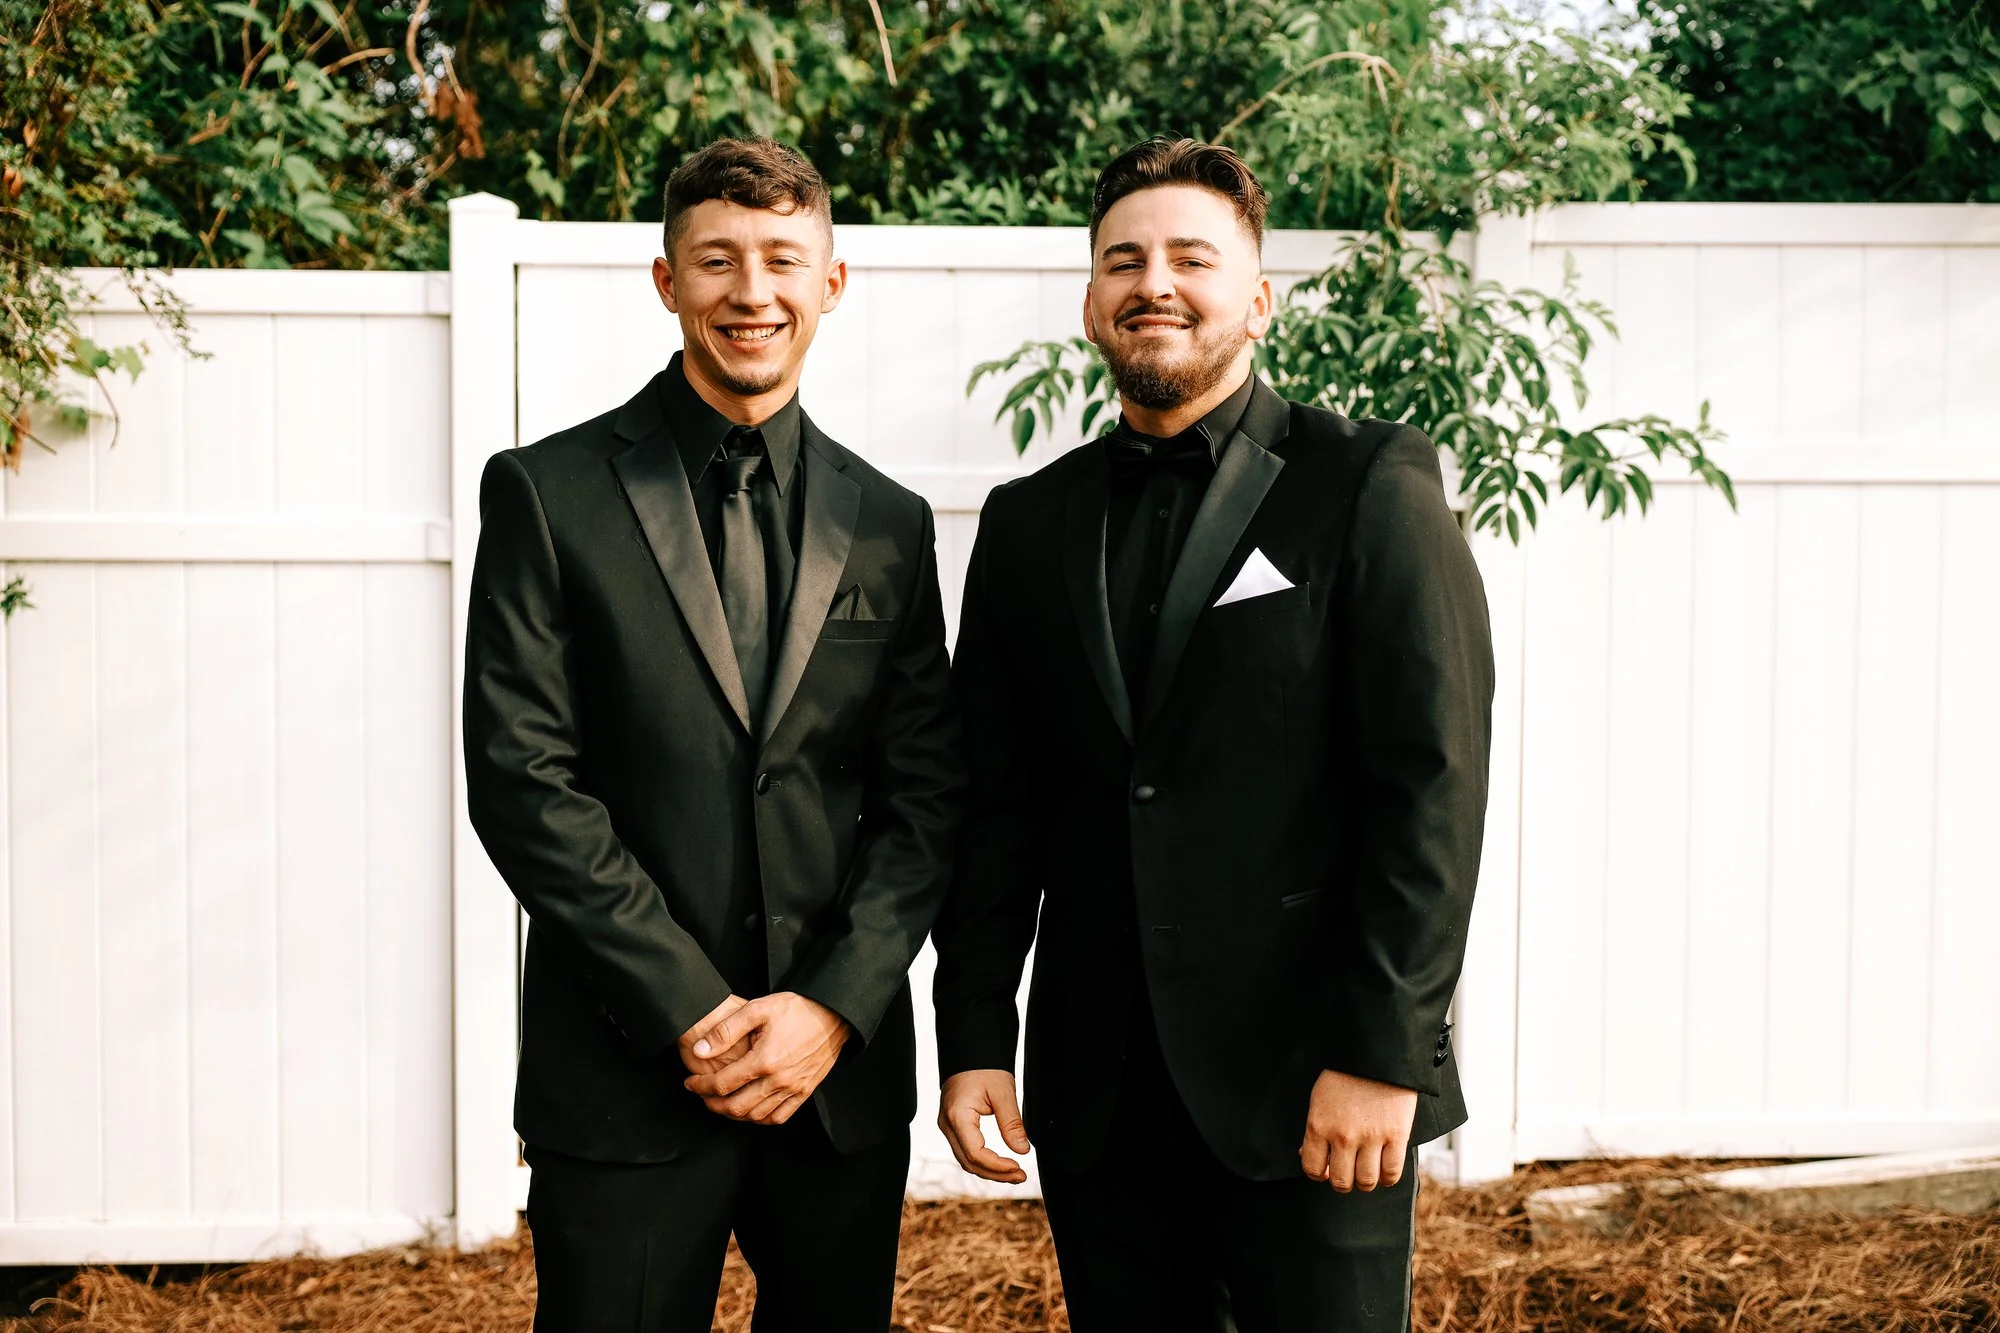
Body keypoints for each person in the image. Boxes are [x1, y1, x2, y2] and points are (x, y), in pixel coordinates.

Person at [932, 137, 1494, 1332]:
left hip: (1315, 1085)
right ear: (1091, 299)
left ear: (1258, 298)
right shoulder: (1026, 523)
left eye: (1192, 258)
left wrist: (1383, 1052)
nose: (1156, 284)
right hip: (1098, 1101)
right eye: (1123, 260)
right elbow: (995, 808)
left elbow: (1431, 786)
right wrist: (974, 1033)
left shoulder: (1367, 480)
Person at [464, 135, 963, 1333]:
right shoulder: (546, 494)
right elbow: (524, 779)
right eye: (717, 259)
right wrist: (692, 1009)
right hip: (623, 1071)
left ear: (830, 283)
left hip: (833, 1084)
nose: (752, 291)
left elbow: (925, 798)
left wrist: (830, 1007)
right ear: (666, 280)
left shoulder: (890, 524)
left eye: (783, 259)